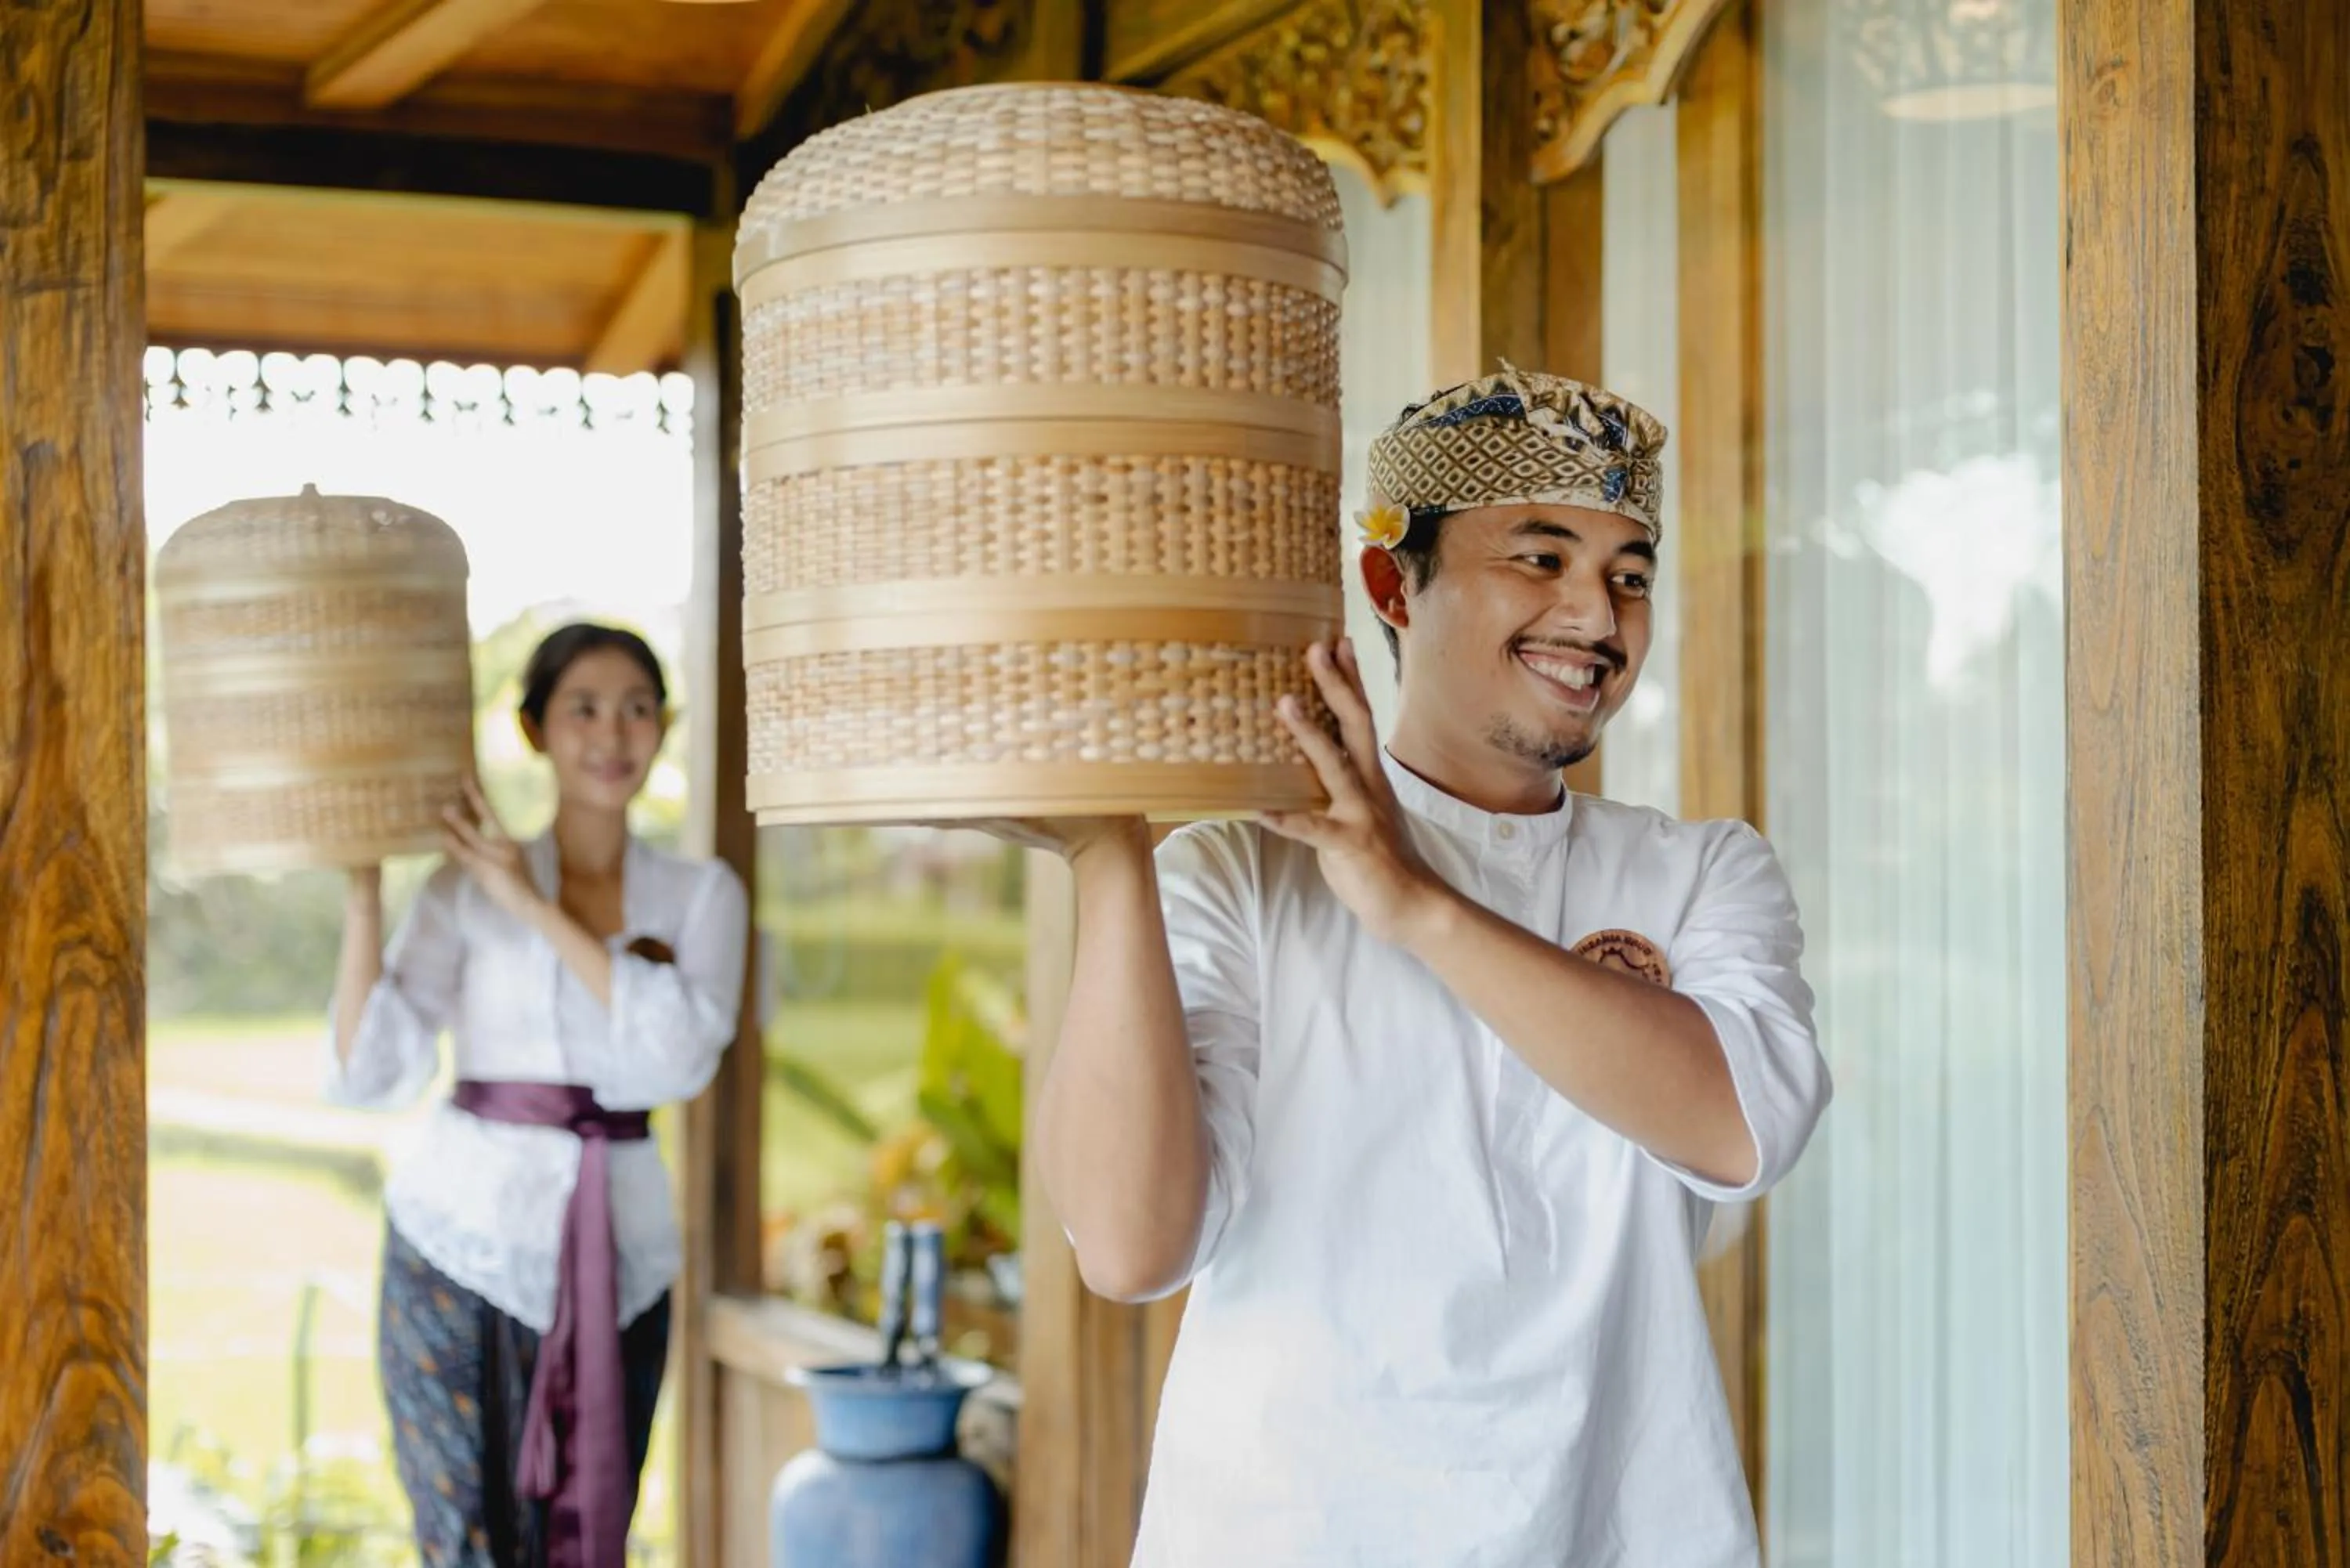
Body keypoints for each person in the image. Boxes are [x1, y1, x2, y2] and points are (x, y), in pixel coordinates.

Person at [1024, 370, 1831, 1566]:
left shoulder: (1701, 871)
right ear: (1392, 585)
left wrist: (1415, 904)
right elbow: (1131, 1248)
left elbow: (1740, 1126)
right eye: (1542, 559)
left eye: (1631, 575)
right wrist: (1105, 851)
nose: (1599, 619)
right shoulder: (1236, 874)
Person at [329, 623, 748, 1568]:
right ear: (535, 729)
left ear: (664, 727)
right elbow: (371, 1070)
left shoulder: (703, 895)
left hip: (624, 1256)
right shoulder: (459, 887)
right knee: (462, 1536)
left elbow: (683, 1056)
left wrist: (531, 904)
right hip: (455, 1242)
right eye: (583, 709)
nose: (613, 734)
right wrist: (362, 894)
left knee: (590, 1524)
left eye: (637, 709)